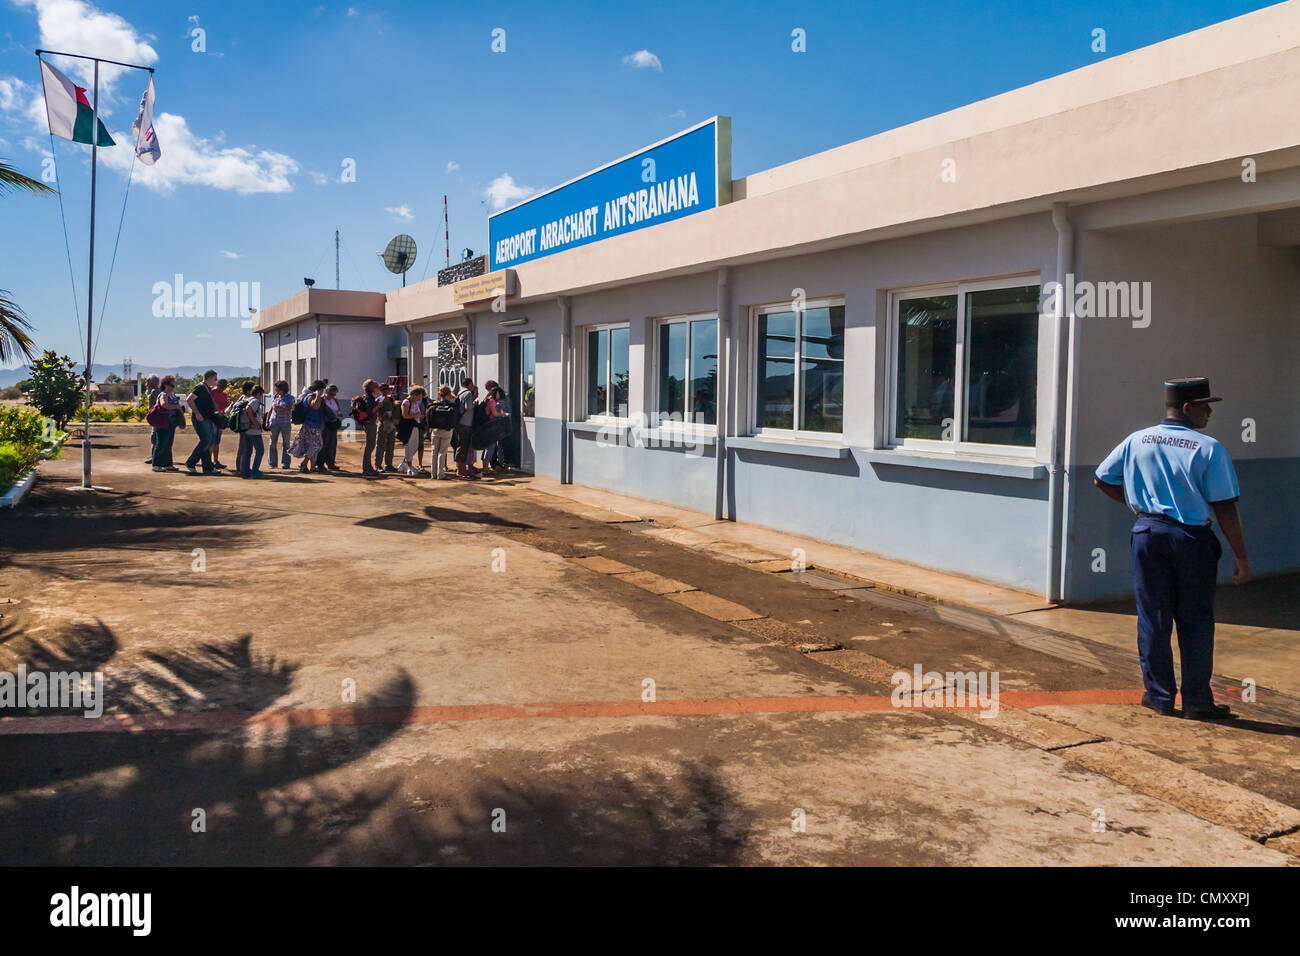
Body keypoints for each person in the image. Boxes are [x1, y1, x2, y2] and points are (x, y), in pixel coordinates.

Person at [1094, 376, 1249, 721]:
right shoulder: (1208, 448)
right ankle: (1196, 702)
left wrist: (1139, 507)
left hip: (1148, 535)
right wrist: (1240, 554)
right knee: (1195, 621)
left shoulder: (1137, 440)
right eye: (1205, 405)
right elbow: (1223, 506)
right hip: (1191, 540)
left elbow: (1102, 478)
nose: (1209, 412)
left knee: (1153, 618)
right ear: (1188, 408)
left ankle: (1160, 697)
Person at [184, 369, 221, 475]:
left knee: (208, 442)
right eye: (215, 379)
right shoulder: (200, 387)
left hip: (207, 418)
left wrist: (217, 410)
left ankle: (207, 467)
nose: (216, 381)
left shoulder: (207, 388)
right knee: (206, 441)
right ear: (209, 378)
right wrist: (197, 413)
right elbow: (189, 399)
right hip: (201, 419)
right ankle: (191, 462)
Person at [290, 380, 326, 472]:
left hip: (316, 425)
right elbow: (315, 406)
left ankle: (312, 467)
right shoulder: (309, 397)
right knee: (316, 445)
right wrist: (318, 395)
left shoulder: (315, 397)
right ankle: (303, 463)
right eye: (322, 389)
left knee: (313, 447)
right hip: (310, 426)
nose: (323, 391)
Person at [150, 376, 183, 472]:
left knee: (168, 443)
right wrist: (176, 407)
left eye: (173, 385)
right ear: (165, 385)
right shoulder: (163, 395)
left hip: (171, 422)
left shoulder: (172, 394)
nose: (173, 387)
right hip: (163, 422)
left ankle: (168, 464)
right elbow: (164, 404)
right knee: (161, 443)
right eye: (171, 385)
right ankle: (156, 464)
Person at [426, 385, 458, 480]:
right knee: (442, 451)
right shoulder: (452, 405)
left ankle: (433, 474)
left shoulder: (434, 404)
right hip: (446, 430)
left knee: (434, 451)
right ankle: (441, 474)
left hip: (435, 430)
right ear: (449, 394)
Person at [234, 383, 266, 479]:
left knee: (247, 450)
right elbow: (249, 409)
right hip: (253, 430)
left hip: (246, 429)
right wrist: (255, 422)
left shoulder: (247, 399)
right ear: (259, 393)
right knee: (260, 450)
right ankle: (255, 471)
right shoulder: (255, 400)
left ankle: (245, 471)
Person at [480, 381, 510, 475]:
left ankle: (485, 467)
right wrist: (504, 414)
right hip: (491, 426)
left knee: (487, 447)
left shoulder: (486, 399)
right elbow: (494, 413)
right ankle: (485, 468)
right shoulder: (492, 401)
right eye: (498, 393)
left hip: (486, 425)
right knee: (491, 447)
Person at [398, 385, 427, 476]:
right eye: (420, 396)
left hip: (415, 427)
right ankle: (409, 467)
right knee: (409, 447)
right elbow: (404, 415)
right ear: (415, 394)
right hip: (408, 428)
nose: (420, 398)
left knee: (414, 447)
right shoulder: (406, 402)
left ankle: (403, 464)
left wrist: (420, 416)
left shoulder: (414, 403)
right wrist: (416, 415)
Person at [454, 378, 479, 479]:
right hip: (465, 424)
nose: (473, 385)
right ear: (469, 384)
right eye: (472, 383)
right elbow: (468, 407)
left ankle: (460, 468)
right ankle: (461, 470)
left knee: (461, 446)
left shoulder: (460, 392)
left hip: (460, 423)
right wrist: (475, 404)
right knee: (463, 447)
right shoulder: (468, 393)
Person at [267, 380, 294, 469]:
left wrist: (280, 408)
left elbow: (290, 408)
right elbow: (271, 409)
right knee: (272, 443)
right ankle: (272, 463)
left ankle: (285, 463)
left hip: (285, 423)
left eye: (277, 389)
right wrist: (267, 420)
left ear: (283, 389)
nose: (276, 391)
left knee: (286, 444)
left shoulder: (290, 398)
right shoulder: (275, 397)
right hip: (274, 422)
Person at [357, 379, 380, 476]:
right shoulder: (368, 398)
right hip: (369, 423)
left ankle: (369, 467)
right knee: (370, 446)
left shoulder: (370, 397)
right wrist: (378, 405)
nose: (377, 388)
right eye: (376, 387)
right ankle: (366, 469)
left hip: (370, 423)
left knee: (371, 446)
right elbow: (370, 412)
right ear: (371, 388)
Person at [373, 382, 398, 473]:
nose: (386, 391)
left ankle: (389, 464)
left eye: (387, 389)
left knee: (390, 445)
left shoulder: (391, 399)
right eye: (383, 389)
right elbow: (377, 412)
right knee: (380, 445)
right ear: (380, 390)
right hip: (383, 424)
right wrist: (382, 418)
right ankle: (378, 465)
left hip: (391, 424)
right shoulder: (379, 400)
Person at [319, 383, 343, 471]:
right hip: (325, 424)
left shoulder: (335, 400)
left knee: (332, 444)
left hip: (333, 424)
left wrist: (338, 413)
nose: (333, 396)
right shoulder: (322, 400)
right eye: (331, 394)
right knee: (323, 444)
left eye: (334, 394)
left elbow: (338, 410)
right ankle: (320, 464)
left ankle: (331, 463)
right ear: (326, 392)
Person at [209, 378, 231, 470]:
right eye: (221, 386)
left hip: (220, 418)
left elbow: (224, 404)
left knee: (217, 441)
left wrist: (222, 404)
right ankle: (208, 461)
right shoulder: (211, 392)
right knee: (211, 441)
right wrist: (221, 404)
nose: (222, 389)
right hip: (213, 418)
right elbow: (212, 404)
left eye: (223, 387)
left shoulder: (224, 394)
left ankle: (215, 460)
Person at [143, 374, 161, 465]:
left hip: (156, 419)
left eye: (147, 381)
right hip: (158, 419)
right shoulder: (158, 391)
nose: (146, 383)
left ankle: (155, 458)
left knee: (154, 438)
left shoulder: (155, 392)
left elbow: (153, 408)